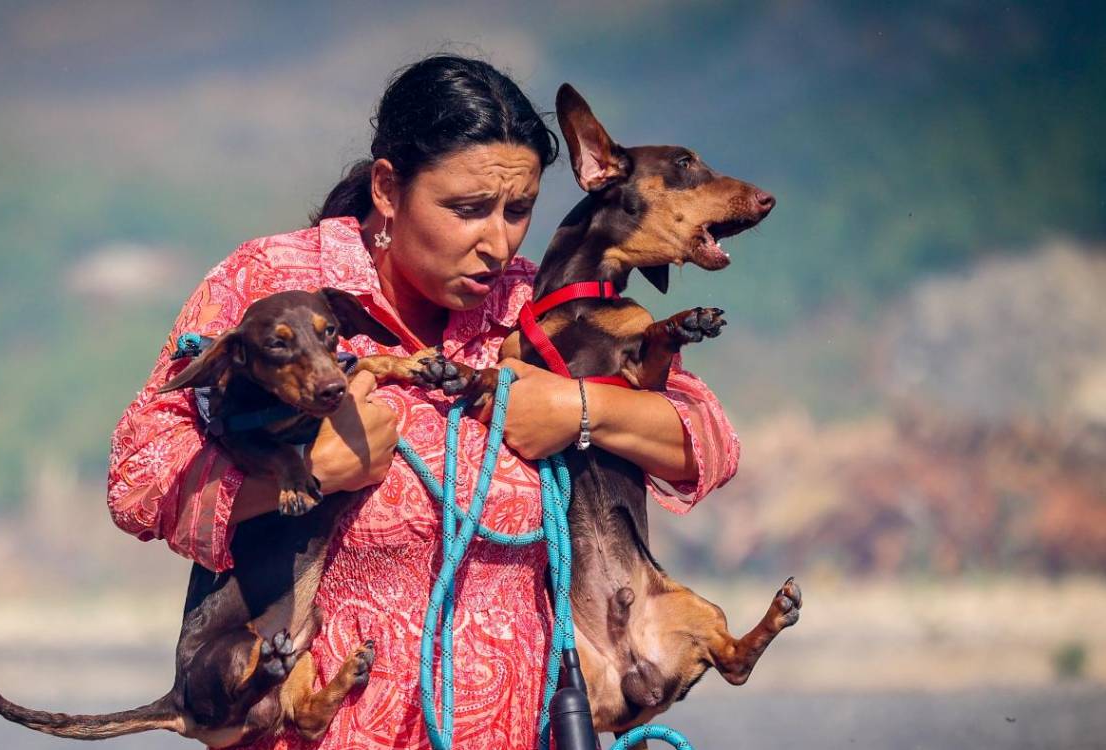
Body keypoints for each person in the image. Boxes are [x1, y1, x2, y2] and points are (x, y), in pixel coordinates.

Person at [107, 54, 740, 749]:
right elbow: (141, 477)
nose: (496, 241)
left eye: (517, 210)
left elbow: (706, 440)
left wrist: (579, 409)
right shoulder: (275, 285)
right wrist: (312, 470)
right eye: (466, 209)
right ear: (387, 188)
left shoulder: (543, 304)